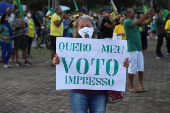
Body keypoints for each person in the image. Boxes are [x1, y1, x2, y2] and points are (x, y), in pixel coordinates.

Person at [52, 15, 129, 113]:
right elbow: (62, 64)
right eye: (82, 26)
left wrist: (124, 64)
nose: (85, 29)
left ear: (93, 27)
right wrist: (56, 62)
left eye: (87, 26)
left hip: (99, 93)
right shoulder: (70, 47)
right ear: (77, 30)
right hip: (78, 92)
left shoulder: (104, 45)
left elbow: (115, 64)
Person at [124, 7, 154, 93]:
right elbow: (139, 21)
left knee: (140, 68)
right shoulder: (127, 21)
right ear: (127, 14)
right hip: (132, 48)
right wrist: (148, 11)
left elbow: (148, 22)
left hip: (138, 48)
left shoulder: (135, 22)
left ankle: (141, 86)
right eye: (131, 11)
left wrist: (151, 14)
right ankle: (131, 87)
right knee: (131, 68)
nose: (133, 12)